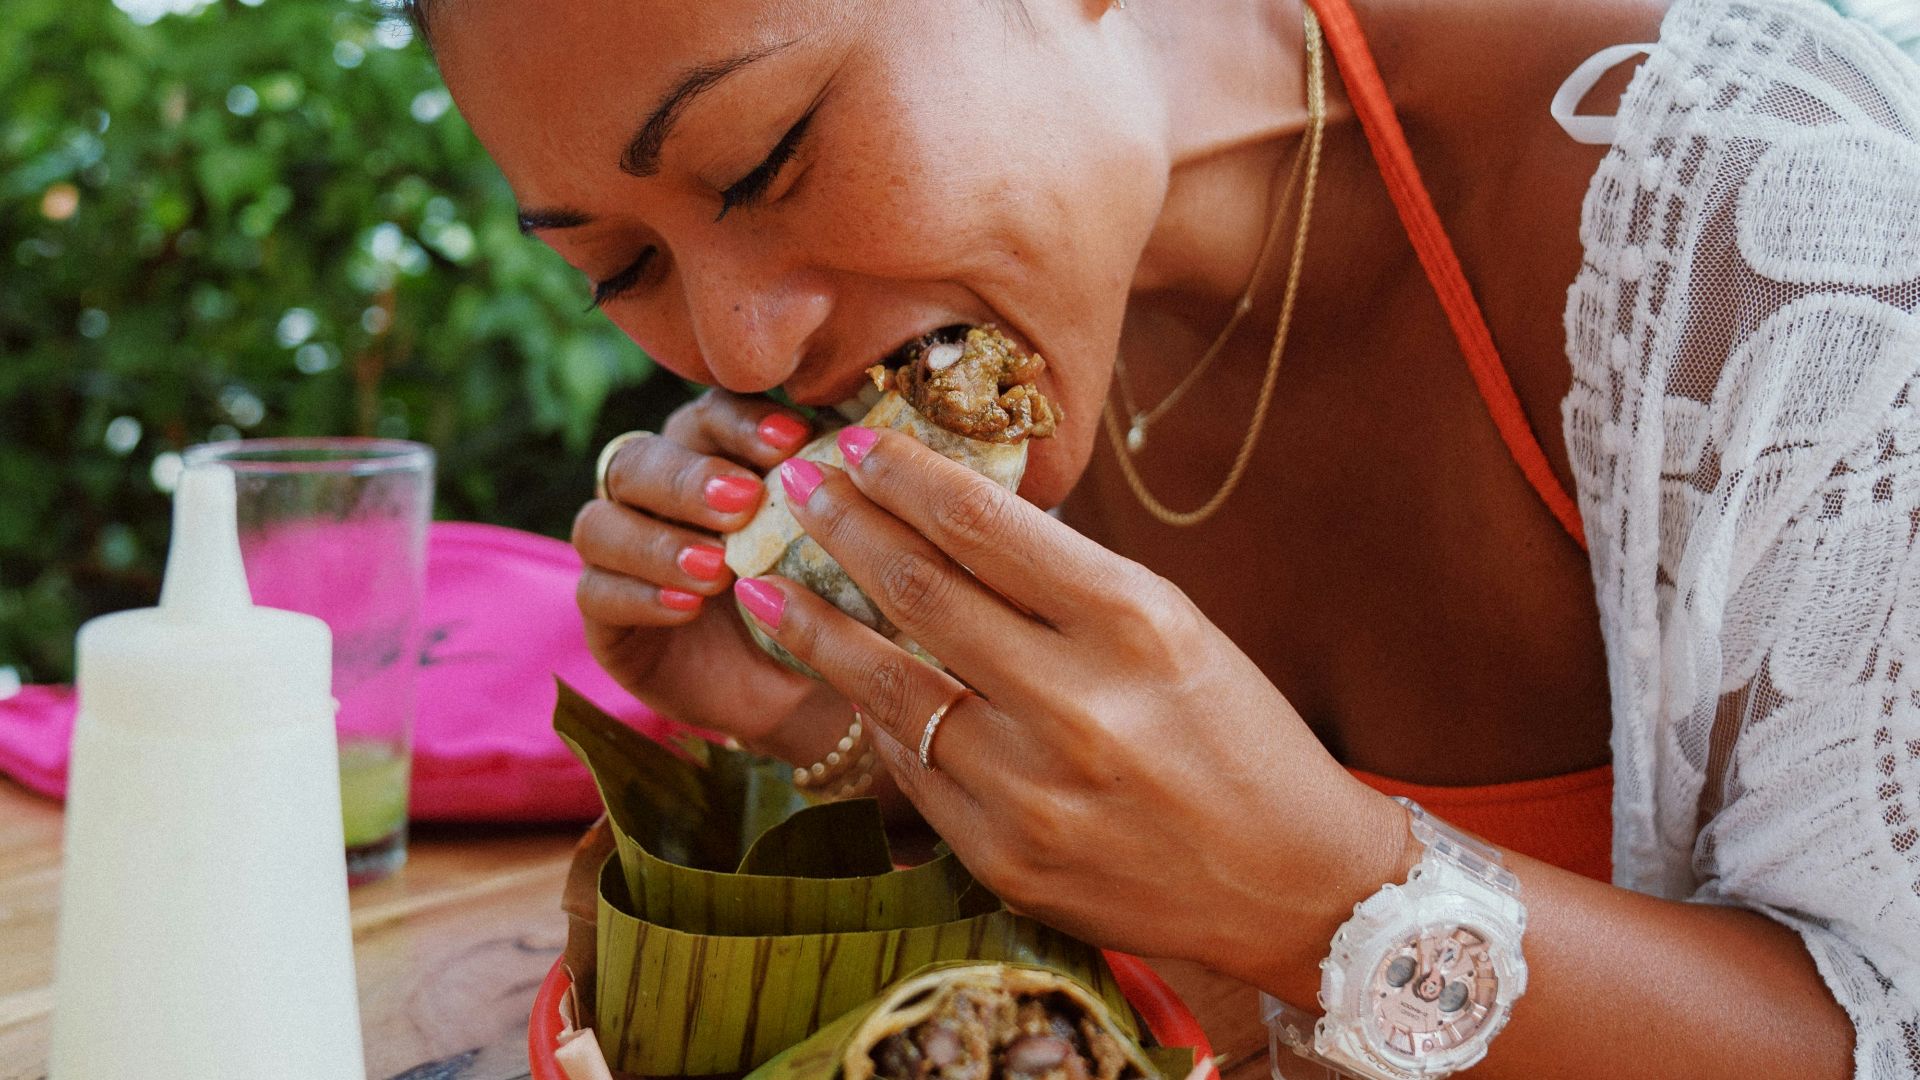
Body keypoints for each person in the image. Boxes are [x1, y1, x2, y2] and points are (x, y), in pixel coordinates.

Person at [407, 0, 1920, 1075]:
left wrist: (1332, 902)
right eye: (624, 266)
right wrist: (829, 717)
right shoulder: (1015, 326)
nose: (739, 345)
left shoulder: (1766, 219)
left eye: (764, 161)